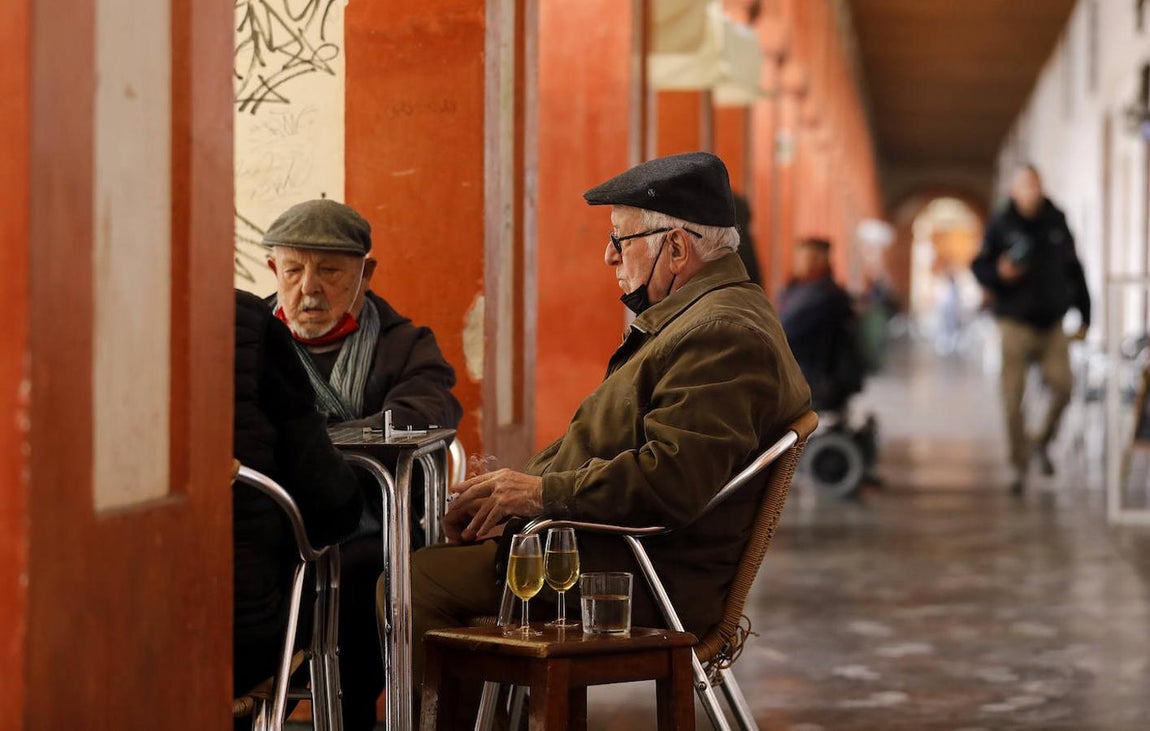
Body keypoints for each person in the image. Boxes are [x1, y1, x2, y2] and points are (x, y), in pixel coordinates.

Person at [408, 152, 811, 704]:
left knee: (411, 584)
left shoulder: (720, 333)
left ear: (676, 247)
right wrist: (516, 492)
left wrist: (539, 494)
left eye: (620, 240)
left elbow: (673, 479)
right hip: (616, 551)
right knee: (430, 561)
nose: (609, 255)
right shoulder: (702, 317)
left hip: (642, 576)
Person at [261, 199, 464, 728]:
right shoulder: (249, 340)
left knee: (367, 575)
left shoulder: (406, 346)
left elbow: (425, 413)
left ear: (365, 274)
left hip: (369, 525)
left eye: (329, 271)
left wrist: (307, 442)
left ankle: (350, 716)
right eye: (293, 270)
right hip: (271, 527)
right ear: (273, 270)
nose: (309, 288)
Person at [232, 289, 363, 727]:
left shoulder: (67, 316)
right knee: (336, 576)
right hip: (236, 631)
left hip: (95, 622)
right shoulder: (251, 324)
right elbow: (331, 505)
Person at [971, 164, 1091, 495]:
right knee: (1012, 399)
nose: (1032, 191)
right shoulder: (1001, 223)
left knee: (1064, 387)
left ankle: (1041, 442)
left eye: (1036, 184)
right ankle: (1019, 465)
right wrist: (999, 273)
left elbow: (1074, 268)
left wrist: (1086, 315)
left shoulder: (1057, 221)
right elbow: (979, 266)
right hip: (1015, 323)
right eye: (1025, 185)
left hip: (1052, 324)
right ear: (1014, 190)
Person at [777, 237, 862, 413]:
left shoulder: (823, 295)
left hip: (810, 375)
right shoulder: (801, 289)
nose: (799, 263)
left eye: (805, 258)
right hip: (805, 370)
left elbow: (785, 331)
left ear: (819, 260)